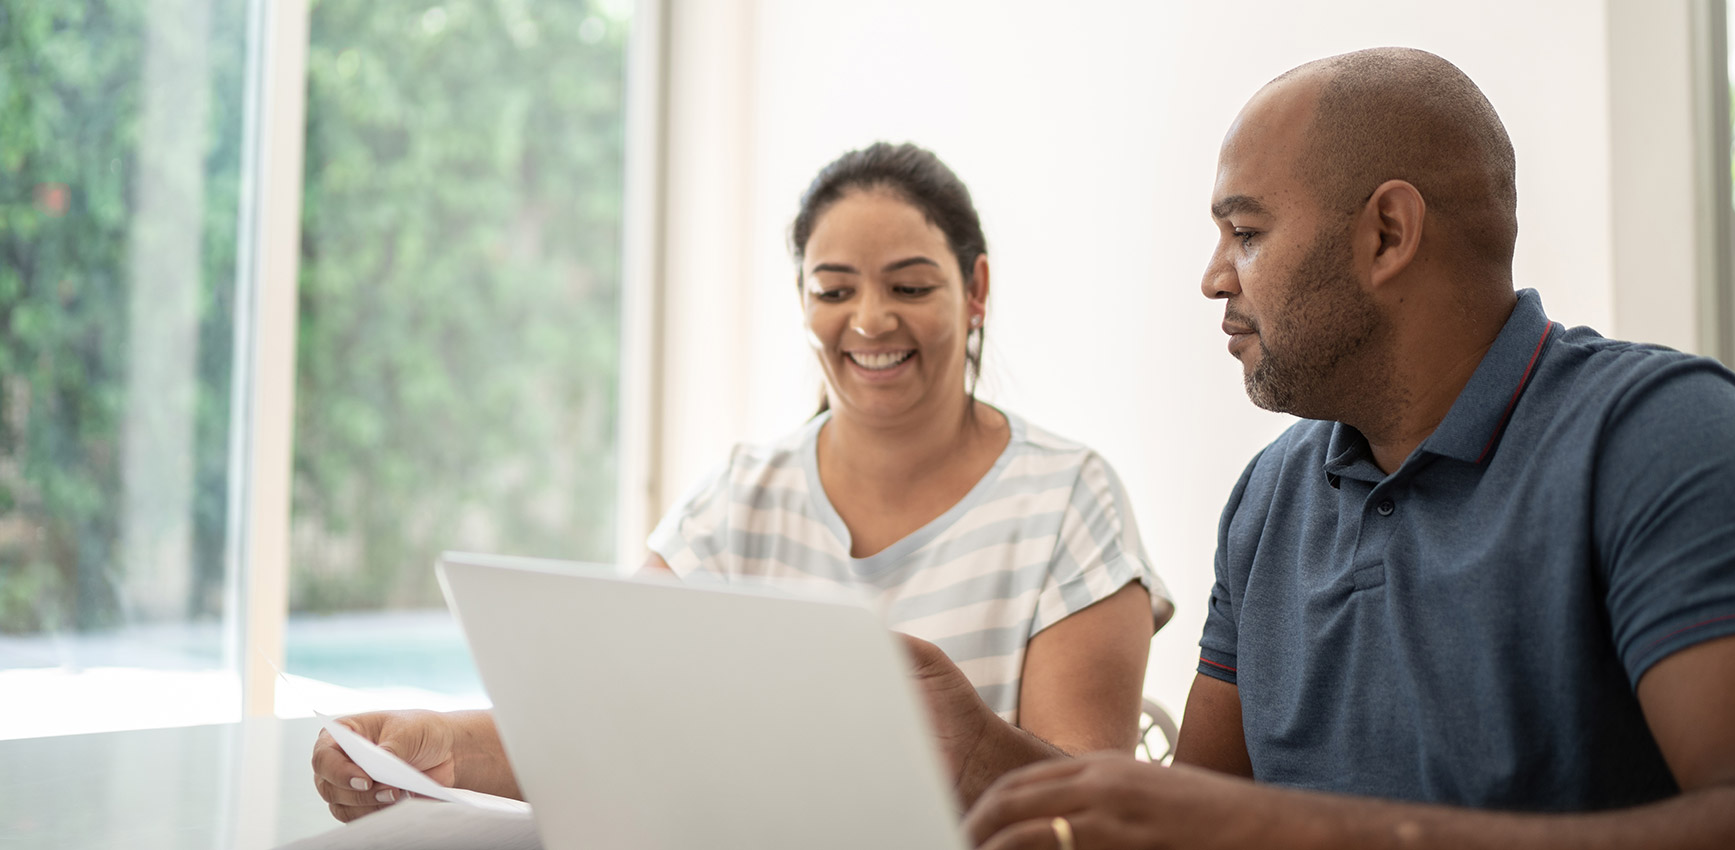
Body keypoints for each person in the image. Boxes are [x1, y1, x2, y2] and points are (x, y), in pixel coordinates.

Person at [921, 47, 1735, 849]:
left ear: (1387, 233)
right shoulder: (1269, 497)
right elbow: (1193, 827)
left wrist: (1298, 831)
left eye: (1245, 232)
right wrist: (979, 760)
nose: (1214, 278)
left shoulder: (1660, 436)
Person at [309, 142, 1173, 822]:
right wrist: (432, 745)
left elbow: (1093, 812)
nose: (870, 320)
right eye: (833, 289)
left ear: (974, 290)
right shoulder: (739, 497)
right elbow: (604, 716)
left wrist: (970, 748)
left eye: (910, 286)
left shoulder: (1067, 497)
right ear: (803, 302)